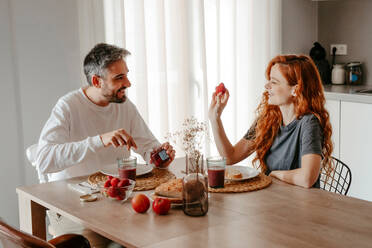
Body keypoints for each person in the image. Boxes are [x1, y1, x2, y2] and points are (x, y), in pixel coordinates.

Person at [35, 43, 175, 247]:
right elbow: (44, 160)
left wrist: (161, 157)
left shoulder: (124, 106)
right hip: (73, 208)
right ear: (96, 81)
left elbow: (148, 148)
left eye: (126, 75)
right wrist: (99, 140)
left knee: (161, 237)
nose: (128, 83)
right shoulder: (68, 107)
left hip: (116, 204)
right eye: (119, 78)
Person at [208, 54, 333, 188]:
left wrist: (274, 174)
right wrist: (215, 117)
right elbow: (230, 157)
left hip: (300, 204)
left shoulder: (309, 123)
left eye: (274, 82)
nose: (267, 86)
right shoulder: (268, 119)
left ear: (295, 90)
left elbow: (307, 178)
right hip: (272, 198)